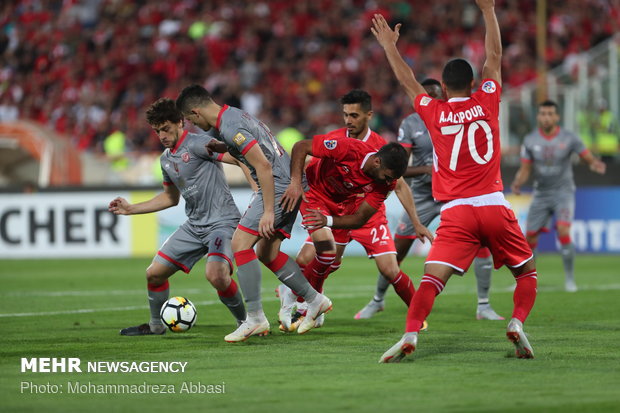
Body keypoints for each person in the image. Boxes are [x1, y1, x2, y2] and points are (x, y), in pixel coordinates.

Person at [372, 0, 538, 363]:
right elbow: (493, 55)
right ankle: (515, 322)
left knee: (431, 279)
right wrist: (488, 11)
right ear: (474, 84)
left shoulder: (434, 110)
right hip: (494, 205)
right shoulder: (489, 100)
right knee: (527, 273)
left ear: (443, 88)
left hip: (457, 212)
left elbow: (407, 81)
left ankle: (411, 333)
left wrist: (389, 46)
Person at [175, 85, 332, 341]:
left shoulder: (230, 126)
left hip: (278, 187)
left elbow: (263, 165)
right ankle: (315, 300)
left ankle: (256, 318)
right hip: (290, 185)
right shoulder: (235, 116)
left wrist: (268, 211)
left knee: (240, 244)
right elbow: (255, 149)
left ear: (195, 111)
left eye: (191, 120)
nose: (193, 125)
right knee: (267, 253)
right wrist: (222, 147)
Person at [280, 89, 432, 331]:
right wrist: (299, 182)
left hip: (366, 212)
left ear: (368, 115)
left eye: (354, 115)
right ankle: (306, 304)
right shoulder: (339, 140)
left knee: (389, 268)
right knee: (316, 258)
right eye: (345, 115)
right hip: (331, 204)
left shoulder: (384, 150)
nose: (348, 120)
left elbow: (399, 187)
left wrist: (416, 221)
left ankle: (417, 316)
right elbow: (309, 155)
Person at [355, 79, 504, 322]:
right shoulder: (411, 124)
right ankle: (377, 300)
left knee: (482, 244)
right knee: (396, 250)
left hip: (455, 194)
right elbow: (398, 166)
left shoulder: (458, 115)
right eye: (429, 96)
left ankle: (484, 305)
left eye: (438, 96)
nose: (434, 101)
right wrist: (426, 169)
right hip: (424, 196)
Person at [109, 98, 249, 336]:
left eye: (166, 129)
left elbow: (235, 156)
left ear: (180, 122)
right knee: (153, 274)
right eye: (157, 131)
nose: (162, 135)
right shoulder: (166, 160)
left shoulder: (200, 144)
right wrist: (131, 209)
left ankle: (247, 322)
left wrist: (256, 179)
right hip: (194, 226)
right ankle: (155, 326)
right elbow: (170, 198)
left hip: (222, 222)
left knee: (216, 274)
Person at [511, 100, 606, 292]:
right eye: (543, 113)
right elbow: (525, 168)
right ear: (538, 117)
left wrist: (594, 163)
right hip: (541, 193)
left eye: (550, 114)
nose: (546, 117)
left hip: (563, 191)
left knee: (563, 231)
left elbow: (585, 154)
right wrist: (518, 182)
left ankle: (570, 280)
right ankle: (527, 281)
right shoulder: (530, 140)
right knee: (529, 238)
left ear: (557, 117)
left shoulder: (569, 138)